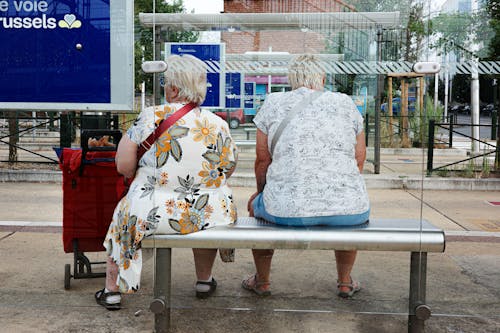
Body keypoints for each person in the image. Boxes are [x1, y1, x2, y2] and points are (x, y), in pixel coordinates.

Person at [95, 54, 238, 310]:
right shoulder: (218, 124)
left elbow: (124, 166)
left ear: (173, 88)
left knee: (124, 216)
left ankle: (112, 291)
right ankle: (204, 281)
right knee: (203, 215)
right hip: (209, 211)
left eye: (165, 84)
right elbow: (228, 167)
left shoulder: (150, 117)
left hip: (153, 212)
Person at [243, 54, 370, 298]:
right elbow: (359, 158)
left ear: (292, 80)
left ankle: (263, 281)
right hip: (350, 210)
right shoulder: (345, 102)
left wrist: (261, 194)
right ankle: (344, 282)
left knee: (255, 207)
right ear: (322, 78)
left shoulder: (274, 102)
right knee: (347, 208)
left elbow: (262, 160)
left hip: (285, 210)